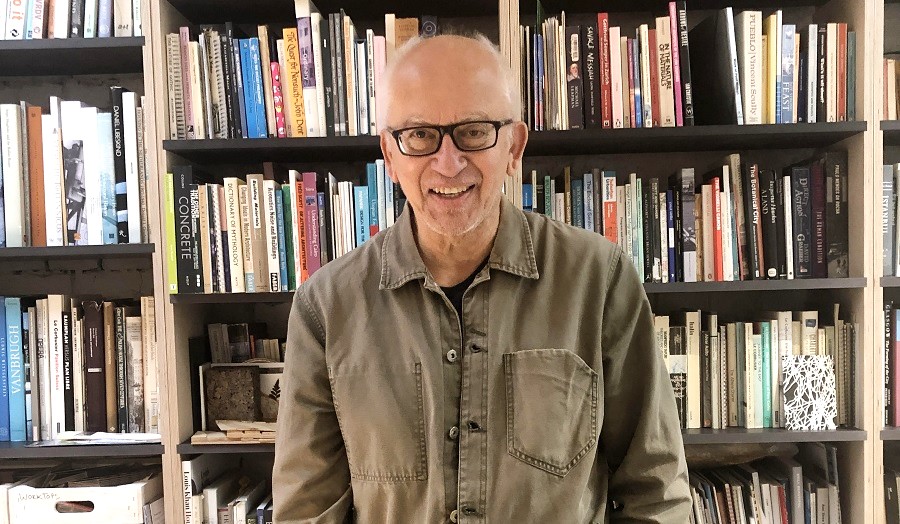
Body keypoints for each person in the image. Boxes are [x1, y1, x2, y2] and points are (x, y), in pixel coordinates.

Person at [273, 33, 691, 523]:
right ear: (389, 155)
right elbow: (307, 511)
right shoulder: (326, 307)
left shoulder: (599, 280)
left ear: (514, 146)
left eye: (473, 131)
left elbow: (655, 492)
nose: (448, 164)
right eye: (420, 135)